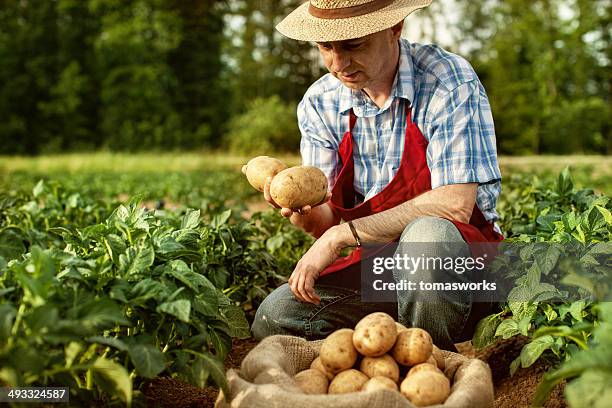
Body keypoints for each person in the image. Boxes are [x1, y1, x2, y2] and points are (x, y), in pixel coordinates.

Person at [249, 0, 504, 351]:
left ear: (395, 28)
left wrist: (343, 235)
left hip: (462, 270)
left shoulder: (448, 82)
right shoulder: (319, 104)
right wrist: (304, 214)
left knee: (425, 240)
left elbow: (454, 205)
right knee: (277, 315)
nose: (338, 64)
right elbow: (327, 224)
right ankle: (384, 346)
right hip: (379, 272)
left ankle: (427, 361)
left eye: (353, 45)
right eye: (326, 47)